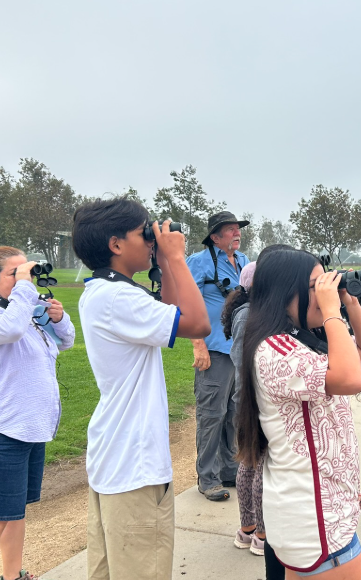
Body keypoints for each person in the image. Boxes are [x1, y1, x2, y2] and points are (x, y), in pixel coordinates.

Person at [73, 198, 211, 580]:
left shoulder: (104, 291)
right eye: (143, 233)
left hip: (115, 454)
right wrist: (178, 259)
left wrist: (163, 261)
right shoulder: (119, 298)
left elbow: (169, 309)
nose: (151, 239)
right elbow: (198, 323)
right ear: (116, 244)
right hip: (134, 464)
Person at [235, 249, 361, 578]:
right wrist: (332, 311)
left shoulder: (305, 338)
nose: (324, 293)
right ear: (284, 293)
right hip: (313, 519)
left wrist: (350, 303)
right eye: (316, 286)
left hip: (325, 512)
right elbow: (350, 379)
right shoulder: (274, 350)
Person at [0, 244, 75, 580]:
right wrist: (26, 289)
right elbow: (10, 329)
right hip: (4, 431)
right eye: (15, 273)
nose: (24, 277)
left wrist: (59, 317)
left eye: (25, 270)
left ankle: (13, 575)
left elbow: (65, 341)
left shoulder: (25, 312)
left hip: (30, 428)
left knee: (14, 514)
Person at [223, 244, 293, 580]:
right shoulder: (254, 316)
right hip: (254, 401)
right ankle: (261, 534)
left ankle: (246, 528)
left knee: (249, 462)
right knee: (261, 465)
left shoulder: (239, 313)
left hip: (244, 398)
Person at [186, 211, 251, 501]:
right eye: (230, 230)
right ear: (215, 237)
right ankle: (208, 477)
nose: (236, 233)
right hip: (213, 349)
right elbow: (186, 302)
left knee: (235, 413)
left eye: (238, 229)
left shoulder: (245, 261)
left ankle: (229, 469)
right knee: (212, 414)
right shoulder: (199, 262)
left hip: (239, 349)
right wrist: (197, 344)